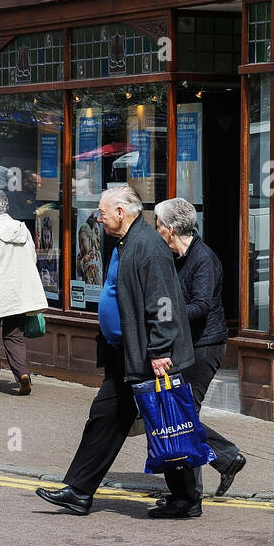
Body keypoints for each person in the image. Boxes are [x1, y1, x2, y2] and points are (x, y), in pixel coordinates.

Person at [36, 184, 196, 518]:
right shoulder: (128, 242)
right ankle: (79, 492)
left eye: (103, 212)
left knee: (165, 421)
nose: (99, 217)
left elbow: (164, 303)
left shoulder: (148, 247)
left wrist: (160, 350)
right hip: (125, 354)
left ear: (121, 212)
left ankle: (187, 499)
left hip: (148, 356)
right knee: (105, 419)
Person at [153, 197, 246, 504]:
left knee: (182, 416)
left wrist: (164, 312)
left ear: (170, 228)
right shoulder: (176, 257)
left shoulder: (203, 259)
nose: (155, 229)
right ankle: (222, 460)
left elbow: (202, 306)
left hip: (205, 346)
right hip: (185, 345)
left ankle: (198, 485)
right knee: (182, 415)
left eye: (157, 224)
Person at [0, 189, 48, 395]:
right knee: (14, 336)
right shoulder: (22, 228)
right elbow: (31, 258)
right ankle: (22, 374)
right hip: (18, 292)